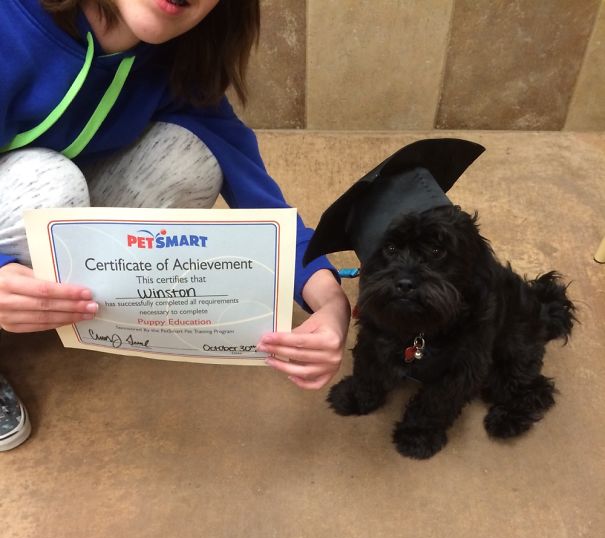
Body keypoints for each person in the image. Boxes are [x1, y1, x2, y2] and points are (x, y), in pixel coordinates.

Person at [0, 0, 351, 451]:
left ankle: (65, 302)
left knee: (192, 159)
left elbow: (264, 206)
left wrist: (330, 303)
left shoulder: (174, 61)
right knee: (48, 186)